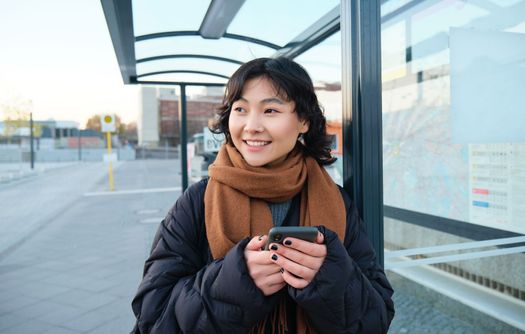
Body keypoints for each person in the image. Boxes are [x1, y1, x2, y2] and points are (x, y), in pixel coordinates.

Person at [131, 57, 395, 333]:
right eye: (241, 109)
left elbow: (377, 317)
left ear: (304, 120)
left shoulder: (338, 201)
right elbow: (153, 316)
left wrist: (329, 277)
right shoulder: (198, 201)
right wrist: (235, 283)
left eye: (270, 110)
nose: (251, 125)